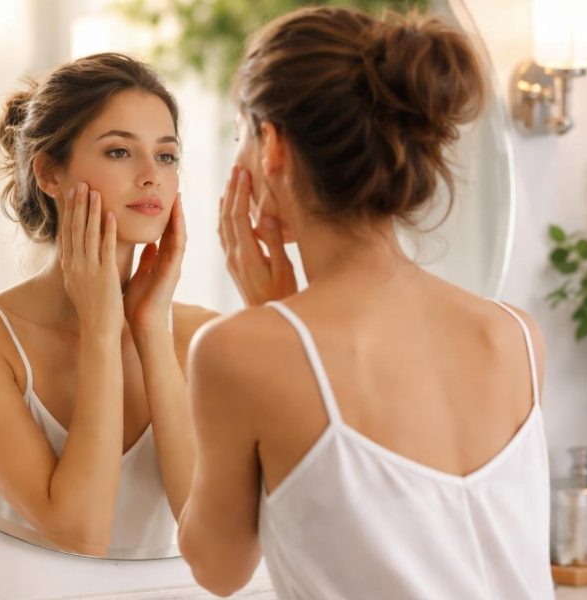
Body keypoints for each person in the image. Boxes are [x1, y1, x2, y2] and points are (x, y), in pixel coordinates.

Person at [178, 7, 554, 598]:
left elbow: (218, 571)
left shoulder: (242, 351)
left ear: (271, 144)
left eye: (239, 137)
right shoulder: (514, 335)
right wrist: (283, 320)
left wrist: (266, 321)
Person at [0, 53, 215, 556]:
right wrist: (102, 332)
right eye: (120, 152)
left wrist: (148, 330)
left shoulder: (197, 337)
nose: (152, 176)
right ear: (50, 175)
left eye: (166, 155)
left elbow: (209, 539)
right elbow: (78, 536)